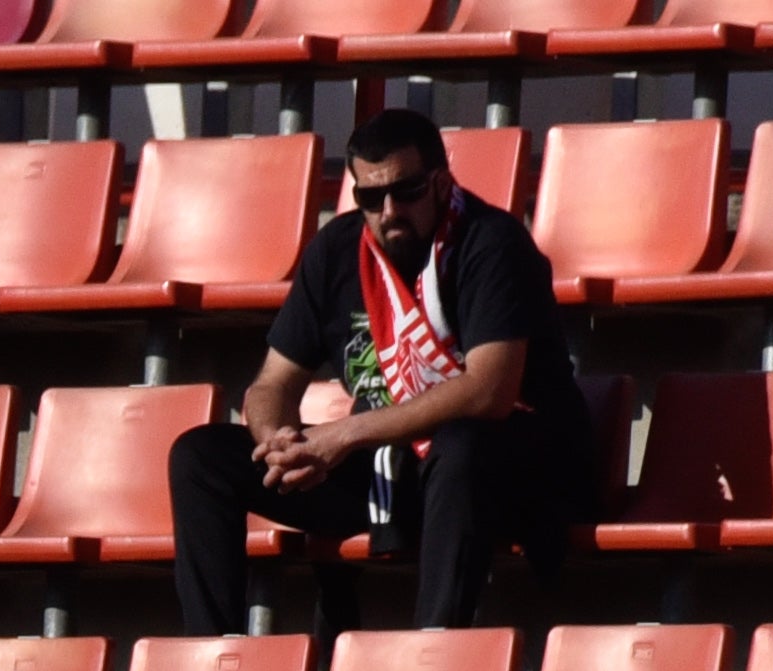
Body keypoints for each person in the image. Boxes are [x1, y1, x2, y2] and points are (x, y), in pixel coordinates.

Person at [167, 106, 594, 637]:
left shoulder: (491, 241)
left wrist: (341, 436)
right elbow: (272, 382)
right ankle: (210, 656)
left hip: (511, 468)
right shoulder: (337, 250)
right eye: (369, 197)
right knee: (200, 457)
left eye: (406, 191)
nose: (388, 210)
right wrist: (278, 441)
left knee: (462, 444)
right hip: (388, 466)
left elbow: (490, 391)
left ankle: (434, 649)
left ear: (441, 182)